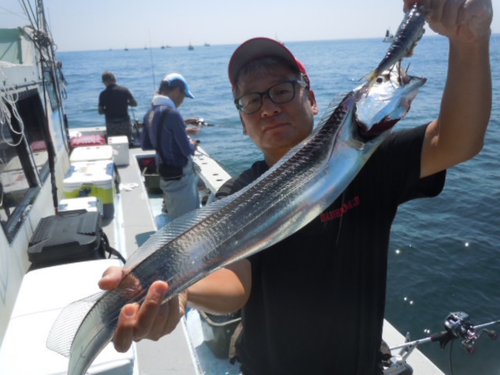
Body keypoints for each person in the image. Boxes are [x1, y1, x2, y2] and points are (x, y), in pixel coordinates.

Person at [99, 0, 492, 373]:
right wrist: (179, 290)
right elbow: (235, 282)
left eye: (282, 91)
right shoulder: (238, 194)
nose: (268, 107)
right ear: (243, 124)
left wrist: (469, 40)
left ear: (313, 100)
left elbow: (458, 141)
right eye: (251, 101)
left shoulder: (371, 160)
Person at [140, 73, 201, 220]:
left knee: (175, 214)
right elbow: (186, 150)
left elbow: (146, 144)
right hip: (181, 178)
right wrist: (193, 143)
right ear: (176, 91)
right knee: (188, 222)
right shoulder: (173, 114)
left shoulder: (150, 113)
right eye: (183, 96)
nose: (182, 101)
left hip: (165, 175)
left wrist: (182, 126)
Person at [98, 71, 138, 144]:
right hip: (124, 123)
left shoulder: (103, 94)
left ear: (104, 82)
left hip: (111, 124)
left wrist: (107, 110)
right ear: (115, 79)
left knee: (114, 145)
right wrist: (126, 103)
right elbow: (134, 104)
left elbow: (100, 112)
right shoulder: (124, 90)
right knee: (127, 144)